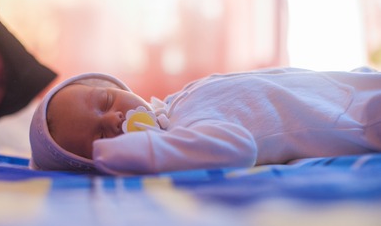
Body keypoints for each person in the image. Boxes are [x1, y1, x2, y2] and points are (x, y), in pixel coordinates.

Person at [29, 67, 381, 175]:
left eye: (106, 101)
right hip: (357, 119)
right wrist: (130, 154)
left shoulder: (174, 104)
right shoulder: (183, 138)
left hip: (345, 82)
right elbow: (237, 148)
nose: (114, 117)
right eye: (100, 137)